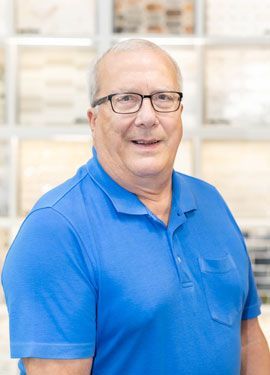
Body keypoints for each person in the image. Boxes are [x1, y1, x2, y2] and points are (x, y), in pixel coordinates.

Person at [2, 39, 270, 375]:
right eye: (125, 99)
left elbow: (248, 339)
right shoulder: (55, 231)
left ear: (180, 114)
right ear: (93, 120)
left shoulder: (211, 202)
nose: (148, 117)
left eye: (163, 98)